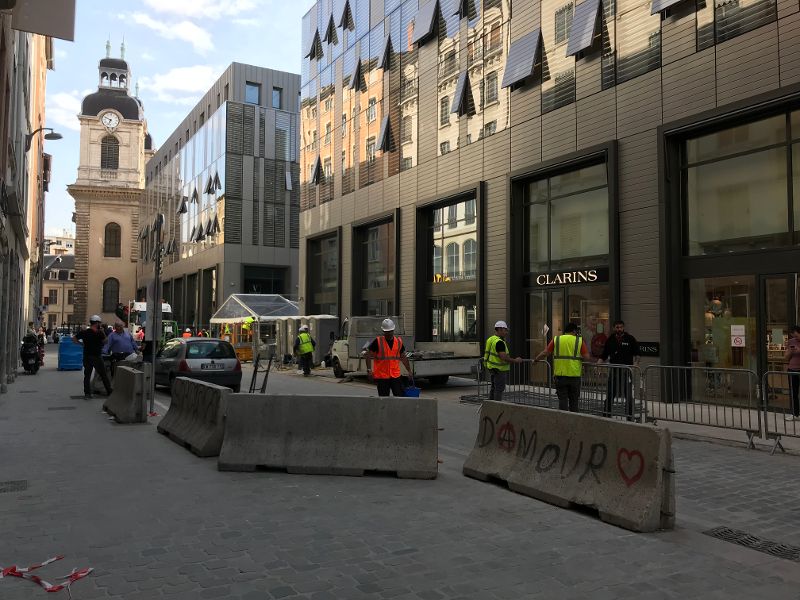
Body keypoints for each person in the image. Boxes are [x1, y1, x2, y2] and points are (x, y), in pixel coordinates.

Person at [535, 322, 590, 412]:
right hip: (574, 376)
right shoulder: (579, 341)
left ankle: (563, 420)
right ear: (574, 331)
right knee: (574, 401)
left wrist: (536, 360)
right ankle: (574, 420)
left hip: (560, 376)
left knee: (563, 400)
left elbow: (545, 353)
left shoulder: (556, 339)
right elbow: (587, 357)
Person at [600, 320, 640, 420]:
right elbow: (604, 354)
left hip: (626, 372)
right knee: (610, 394)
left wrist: (635, 365)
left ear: (623, 327)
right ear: (614, 328)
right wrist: (597, 364)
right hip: (613, 372)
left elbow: (637, 354)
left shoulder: (630, 339)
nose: (619, 329)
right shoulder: (610, 340)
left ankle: (629, 416)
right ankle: (606, 415)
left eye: (621, 327)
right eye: (617, 327)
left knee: (628, 395)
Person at [365, 318, 412, 397]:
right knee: (384, 399)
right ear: (383, 331)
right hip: (382, 376)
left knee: (399, 397)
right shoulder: (378, 341)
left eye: (390, 331)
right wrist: (369, 370)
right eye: (387, 332)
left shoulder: (398, 342)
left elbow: (403, 357)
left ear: (393, 330)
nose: (389, 333)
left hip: (395, 375)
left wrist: (409, 371)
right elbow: (368, 355)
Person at [73, 315, 112, 399]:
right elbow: (105, 341)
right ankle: (109, 392)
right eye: (99, 323)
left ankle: (87, 394)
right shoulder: (99, 332)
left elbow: (74, 339)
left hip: (87, 356)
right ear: (97, 323)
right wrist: (103, 333)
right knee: (103, 375)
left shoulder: (84, 332)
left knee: (87, 375)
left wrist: (81, 344)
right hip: (97, 356)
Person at [483, 321, 523, 402]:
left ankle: (490, 406)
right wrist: (515, 360)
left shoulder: (491, 339)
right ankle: (497, 407)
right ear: (500, 329)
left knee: (494, 388)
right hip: (499, 369)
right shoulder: (499, 342)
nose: (506, 332)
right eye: (505, 330)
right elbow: (503, 357)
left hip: (491, 367)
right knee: (499, 389)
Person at [784, 325, 800, 421]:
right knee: (793, 392)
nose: (795, 337)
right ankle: (795, 413)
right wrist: (790, 351)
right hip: (793, 369)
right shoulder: (791, 342)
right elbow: (786, 357)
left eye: (797, 335)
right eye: (793, 335)